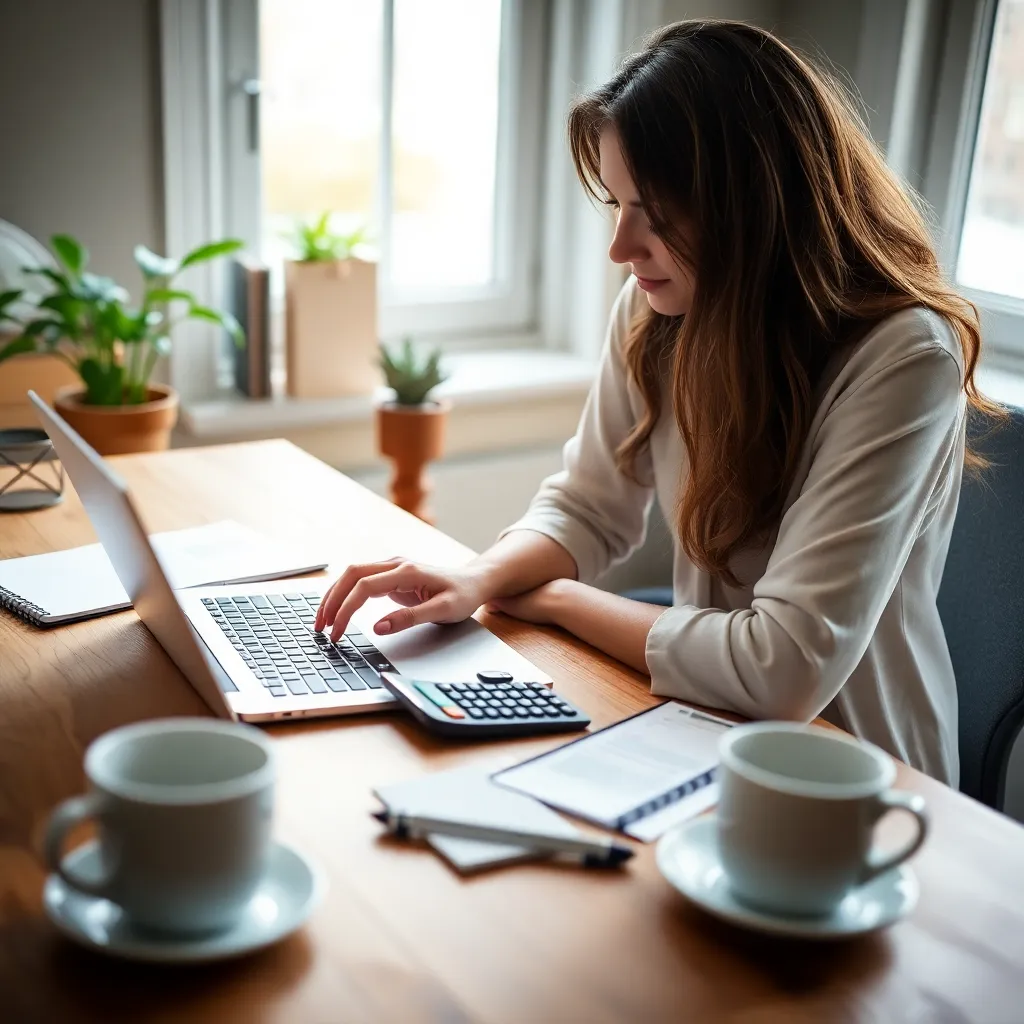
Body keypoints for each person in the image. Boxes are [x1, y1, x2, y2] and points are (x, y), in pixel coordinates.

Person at [315, 20, 1001, 784]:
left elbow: (785, 667)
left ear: (754, 202)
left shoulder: (902, 355)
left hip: (858, 776)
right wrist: (480, 576)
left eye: (657, 212)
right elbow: (587, 507)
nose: (621, 246)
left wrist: (559, 601)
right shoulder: (659, 312)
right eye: (615, 202)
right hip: (699, 729)